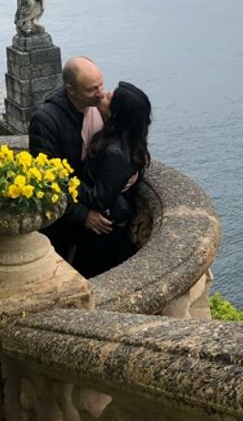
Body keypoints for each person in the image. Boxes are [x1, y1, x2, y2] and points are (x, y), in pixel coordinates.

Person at [28, 56, 113, 257]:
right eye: (92, 89)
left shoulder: (101, 108)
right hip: (63, 221)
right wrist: (83, 215)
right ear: (70, 89)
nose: (100, 94)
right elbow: (50, 178)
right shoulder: (46, 120)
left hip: (94, 206)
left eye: (101, 85)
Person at [72, 81, 152, 278]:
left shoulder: (116, 153)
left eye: (109, 97)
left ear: (116, 114)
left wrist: (67, 181)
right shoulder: (123, 140)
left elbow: (100, 199)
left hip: (102, 235)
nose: (103, 95)